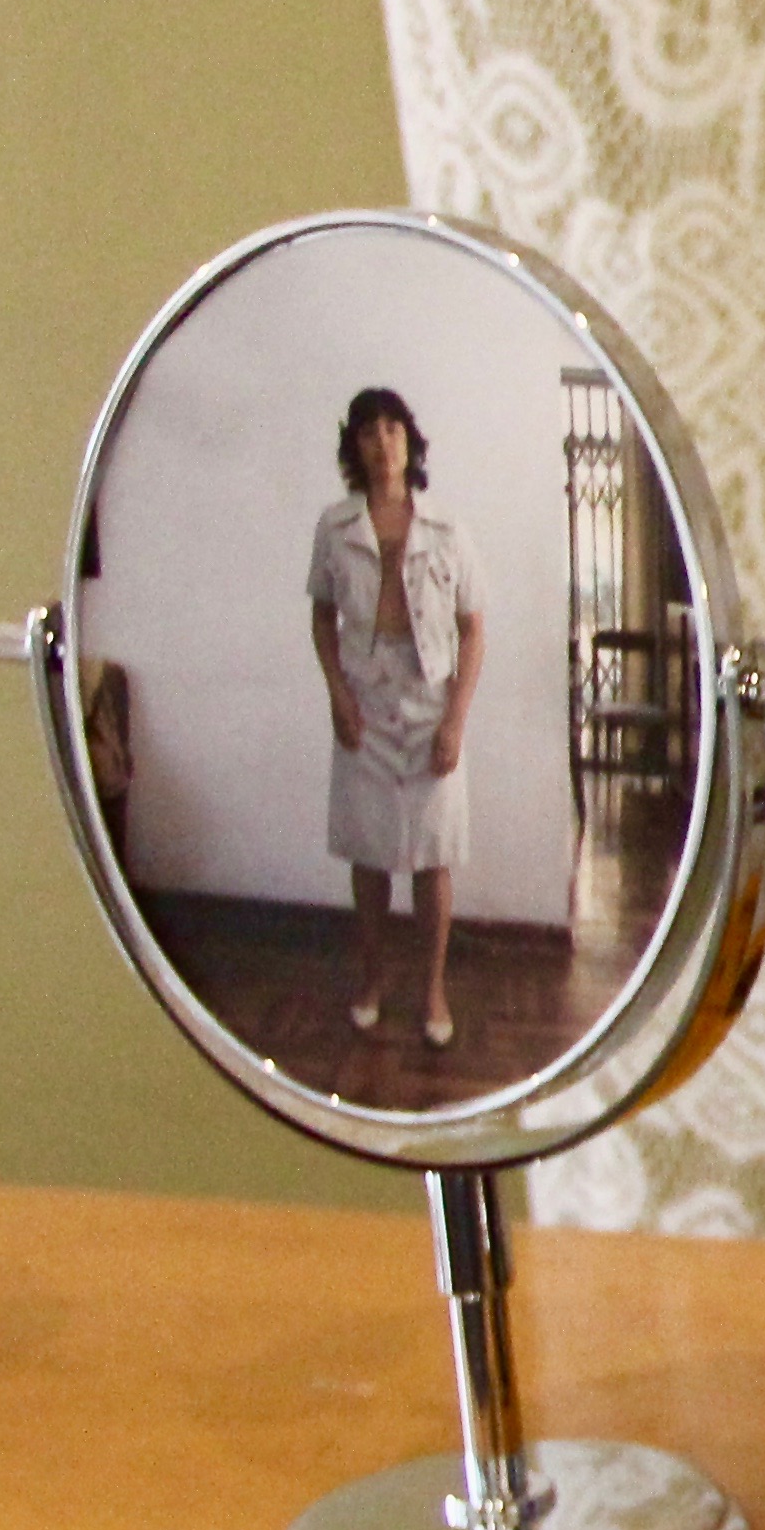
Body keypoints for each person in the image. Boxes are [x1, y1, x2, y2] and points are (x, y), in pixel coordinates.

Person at [308, 387, 485, 1051]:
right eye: (368, 432)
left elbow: (474, 629)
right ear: (354, 447)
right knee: (370, 850)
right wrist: (338, 695)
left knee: (433, 855)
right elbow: (322, 617)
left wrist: (455, 721)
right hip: (365, 701)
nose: (382, 443)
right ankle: (373, 978)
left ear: (410, 442)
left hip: (430, 700)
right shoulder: (334, 527)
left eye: (393, 429)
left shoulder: (448, 529)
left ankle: (433, 988)